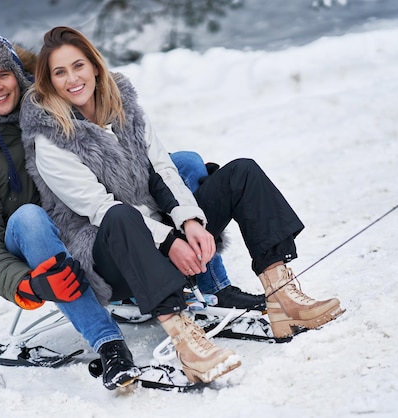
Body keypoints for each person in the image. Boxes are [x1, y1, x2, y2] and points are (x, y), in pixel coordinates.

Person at [19, 26, 345, 375]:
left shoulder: (123, 108)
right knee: (119, 214)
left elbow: (161, 169)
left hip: (158, 235)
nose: (72, 79)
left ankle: (282, 294)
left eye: (78, 65)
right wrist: (171, 240)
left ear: (95, 66)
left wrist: (190, 222)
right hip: (112, 255)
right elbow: (98, 208)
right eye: (60, 72)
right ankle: (184, 339)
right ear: (49, 82)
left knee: (241, 173)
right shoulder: (50, 140)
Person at [0, 33, 248, 390]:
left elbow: (124, 158)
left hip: (105, 227)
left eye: (2, 75)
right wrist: (26, 283)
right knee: (28, 215)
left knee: (184, 163)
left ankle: (215, 288)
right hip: (47, 250)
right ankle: (108, 343)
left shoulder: (50, 106)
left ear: (19, 75)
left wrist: (183, 195)